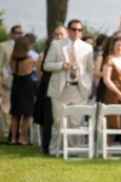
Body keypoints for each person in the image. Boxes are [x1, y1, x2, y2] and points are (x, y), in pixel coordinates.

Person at [44, 19, 94, 155]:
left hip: (79, 88)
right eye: (73, 29)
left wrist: (87, 85)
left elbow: (90, 70)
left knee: (76, 121)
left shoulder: (87, 47)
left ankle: (74, 150)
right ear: (68, 29)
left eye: (79, 30)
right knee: (58, 121)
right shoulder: (56, 44)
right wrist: (61, 65)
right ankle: (55, 150)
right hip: (61, 88)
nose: (76, 32)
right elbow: (46, 65)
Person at [33, 26, 67, 154]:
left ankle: (62, 146)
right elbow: (40, 71)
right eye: (56, 34)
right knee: (47, 119)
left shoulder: (67, 50)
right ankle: (46, 147)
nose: (58, 37)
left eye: (61, 34)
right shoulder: (46, 52)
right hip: (48, 87)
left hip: (64, 89)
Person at [9, 36, 36, 145]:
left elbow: (10, 70)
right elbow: (34, 70)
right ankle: (23, 138)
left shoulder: (12, 58)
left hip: (16, 85)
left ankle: (13, 138)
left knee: (15, 114)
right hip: (27, 86)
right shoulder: (30, 59)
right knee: (27, 114)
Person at [102, 36, 121, 131]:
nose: (120, 47)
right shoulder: (109, 59)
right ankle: (107, 145)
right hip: (113, 95)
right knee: (113, 122)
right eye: (118, 45)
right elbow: (106, 80)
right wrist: (119, 93)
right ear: (113, 46)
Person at [0, 25, 23, 139]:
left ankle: (17, 132)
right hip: (7, 81)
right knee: (6, 108)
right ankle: (5, 132)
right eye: (16, 32)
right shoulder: (3, 46)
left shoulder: (24, 46)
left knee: (19, 107)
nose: (19, 34)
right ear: (11, 33)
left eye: (20, 33)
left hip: (22, 81)